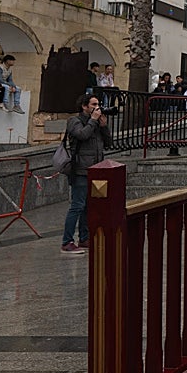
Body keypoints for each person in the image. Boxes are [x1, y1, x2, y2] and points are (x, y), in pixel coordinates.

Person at [62, 93, 111, 256]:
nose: (97, 107)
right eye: (93, 104)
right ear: (84, 106)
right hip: (81, 169)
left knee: (88, 207)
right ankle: (67, 241)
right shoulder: (74, 121)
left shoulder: (96, 123)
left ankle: (84, 238)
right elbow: (81, 135)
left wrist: (103, 126)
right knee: (77, 205)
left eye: (98, 104)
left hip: (96, 169)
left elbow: (109, 143)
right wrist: (93, 121)